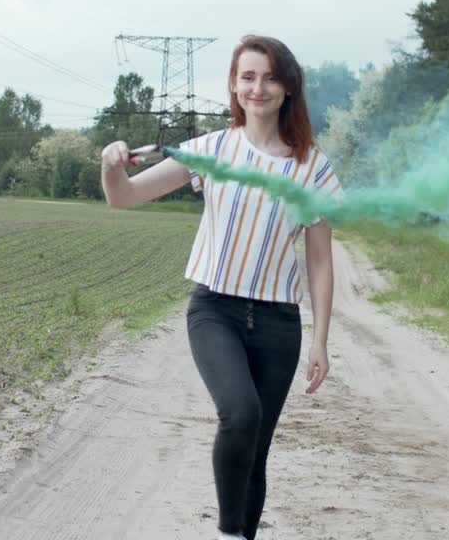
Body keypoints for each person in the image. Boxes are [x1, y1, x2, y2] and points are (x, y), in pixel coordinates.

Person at [100, 34, 341, 540]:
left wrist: (319, 339)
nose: (259, 87)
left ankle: (240, 534)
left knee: (256, 450)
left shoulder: (312, 166)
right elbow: (123, 198)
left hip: (278, 324)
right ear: (233, 86)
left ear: (288, 88)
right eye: (248, 76)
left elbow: (320, 260)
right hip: (215, 311)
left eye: (271, 77)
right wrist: (110, 164)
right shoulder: (209, 149)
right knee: (240, 413)